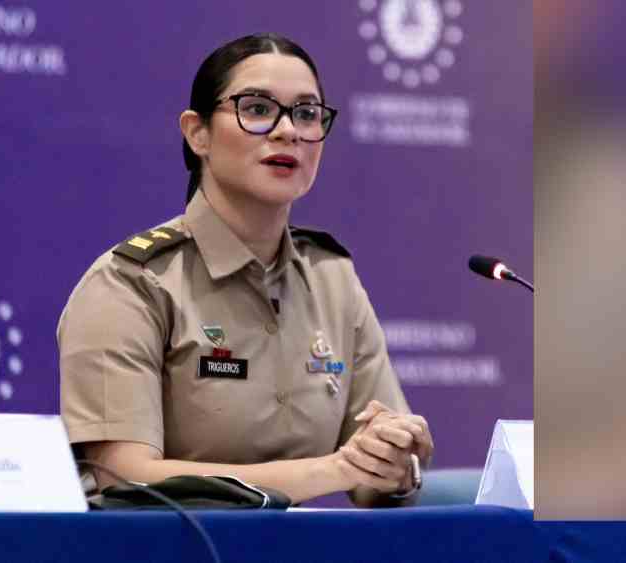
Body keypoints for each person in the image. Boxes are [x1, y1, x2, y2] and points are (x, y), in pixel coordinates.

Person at [57, 33, 433, 507]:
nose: (287, 131)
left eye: (306, 113)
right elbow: (126, 478)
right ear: (198, 133)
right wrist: (333, 468)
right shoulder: (131, 283)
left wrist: (391, 461)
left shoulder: (332, 277)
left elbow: (370, 481)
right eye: (257, 109)